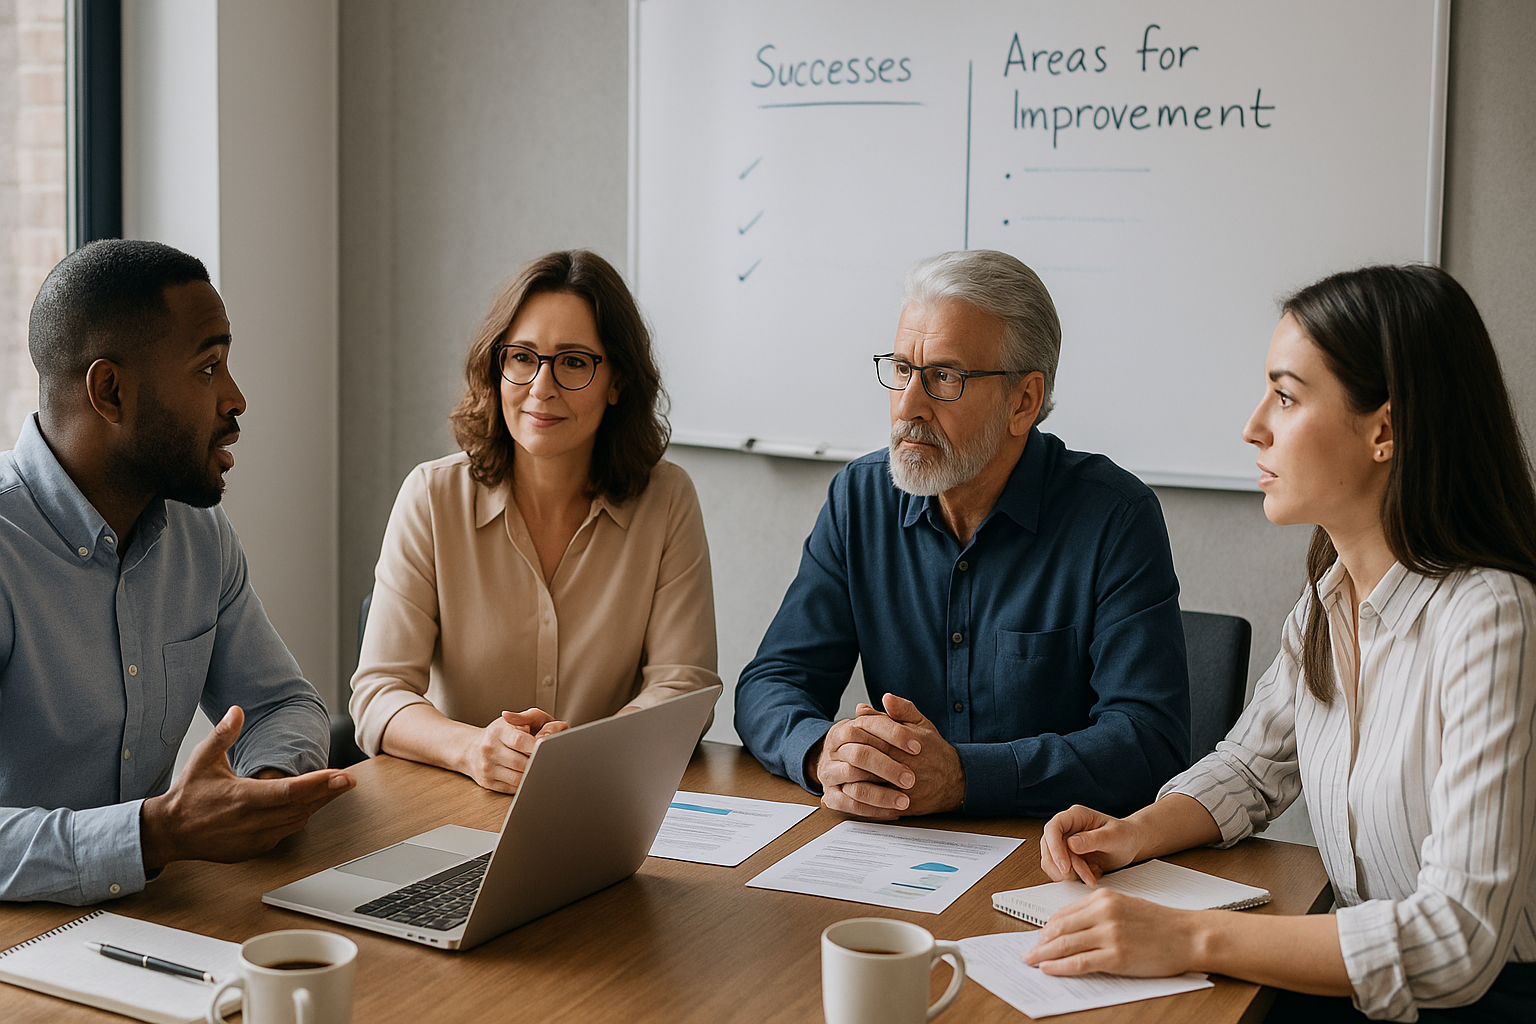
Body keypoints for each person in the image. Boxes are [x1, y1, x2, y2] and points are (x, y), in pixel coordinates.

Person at [1027, 264, 1536, 1022]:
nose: (1254, 425)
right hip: (1361, 986)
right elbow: (1250, 768)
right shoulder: (1330, 596)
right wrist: (1132, 833)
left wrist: (1189, 938)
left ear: (1384, 431)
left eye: (1287, 396)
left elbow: (1455, 940)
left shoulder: (1493, 617)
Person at [734, 250, 1190, 820]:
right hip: (893, 849)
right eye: (901, 369)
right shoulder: (860, 498)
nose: (908, 406)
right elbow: (770, 682)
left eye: (944, 377)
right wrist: (822, 753)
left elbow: (1149, 741)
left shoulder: (1115, 518)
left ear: (1023, 401)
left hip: (1048, 858)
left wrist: (966, 777)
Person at [0, 239, 355, 905]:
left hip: (155, 919)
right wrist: (154, 833)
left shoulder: (198, 535)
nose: (236, 398)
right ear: (110, 390)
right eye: (207, 368)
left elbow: (280, 703)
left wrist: (260, 789)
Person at [349, 249, 719, 793]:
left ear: (616, 381)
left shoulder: (667, 500)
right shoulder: (432, 496)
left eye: (573, 361)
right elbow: (380, 693)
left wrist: (577, 756)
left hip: (603, 798)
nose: (541, 387)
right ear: (496, 366)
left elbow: (684, 688)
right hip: (455, 801)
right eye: (522, 357)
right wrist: (474, 749)